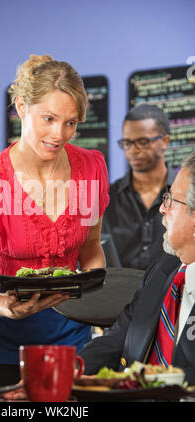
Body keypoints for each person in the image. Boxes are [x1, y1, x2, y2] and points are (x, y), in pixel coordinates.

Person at [0, 54, 110, 385]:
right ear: (21, 107)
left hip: (72, 327)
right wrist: (7, 306)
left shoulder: (92, 169)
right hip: (4, 333)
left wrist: (93, 296)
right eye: (48, 119)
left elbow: (90, 249)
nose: (59, 135)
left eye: (71, 123)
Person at [79, 151, 195, 384]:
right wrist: (67, 372)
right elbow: (116, 340)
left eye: (171, 200)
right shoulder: (165, 268)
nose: (162, 209)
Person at [102, 104, 176, 270]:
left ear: (165, 141)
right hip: (118, 293)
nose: (133, 150)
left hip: (174, 293)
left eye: (142, 142)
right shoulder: (105, 198)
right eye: (127, 143)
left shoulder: (187, 195)